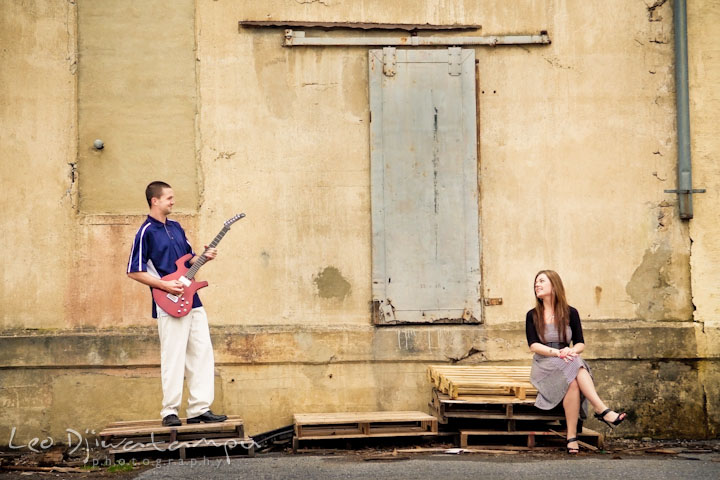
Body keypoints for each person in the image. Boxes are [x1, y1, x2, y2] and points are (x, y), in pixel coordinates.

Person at [127, 181, 227, 427]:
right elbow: (133, 271)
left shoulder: (177, 227)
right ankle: (169, 412)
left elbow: (188, 260)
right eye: (169, 198)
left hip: (192, 299)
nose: (173, 201)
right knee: (173, 356)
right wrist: (164, 286)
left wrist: (205, 256)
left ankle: (199, 409)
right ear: (155, 200)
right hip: (168, 303)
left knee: (201, 352)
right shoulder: (145, 232)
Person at [526, 270, 627, 454]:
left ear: (554, 285)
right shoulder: (532, 315)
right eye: (535, 283)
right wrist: (558, 353)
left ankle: (572, 438)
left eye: (541, 281)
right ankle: (601, 409)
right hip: (544, 363)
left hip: (567, 359)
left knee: (573, 380)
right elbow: (533, 345)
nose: (537, 285)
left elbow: (580, 343)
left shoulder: (570, 312)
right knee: (575, 363)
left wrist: (570, 351)